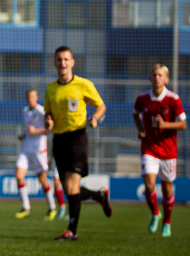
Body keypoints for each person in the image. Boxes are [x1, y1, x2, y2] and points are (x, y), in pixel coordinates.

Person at [43, 45, 112, 241]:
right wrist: (48, 120)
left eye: (66, 59)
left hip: (77, 138)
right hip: (59, 140)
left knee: (72, 185)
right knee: (68, 190)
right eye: (59, 59)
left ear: (72, 62)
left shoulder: (84, 84)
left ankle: (72, 231)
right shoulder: (50, 89)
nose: (63, 63)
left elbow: (101, 105)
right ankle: (99, 196)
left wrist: (95, 118)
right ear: (55, 62)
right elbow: (48, 114)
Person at [133, 64, 186, 238]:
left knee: (167, 189)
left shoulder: (173, 99)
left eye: (160, 75)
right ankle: (155, 214)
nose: (157, 77)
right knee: (149, 184)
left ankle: (167, 223)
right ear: (150, 78)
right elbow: (136, 113)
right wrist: (140, 129)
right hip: (149, 147)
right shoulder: (142, 98)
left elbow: (183, 124)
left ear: (166, 79)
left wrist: (165, 125)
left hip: (168, 151)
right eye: (154, 74)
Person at [13, 88, 57, 220]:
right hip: (26, 148)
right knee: (19, 176)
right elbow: (29, 129)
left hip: (39, 150)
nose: (30, 99)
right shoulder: (25, 110)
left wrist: (35, 131)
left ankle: (52, 207)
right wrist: (23, 135)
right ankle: (26, 208)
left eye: (32, 96)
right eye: (28, 97)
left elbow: (50, 127)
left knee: (42, 179)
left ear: (36, 98)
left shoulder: (41, 111)